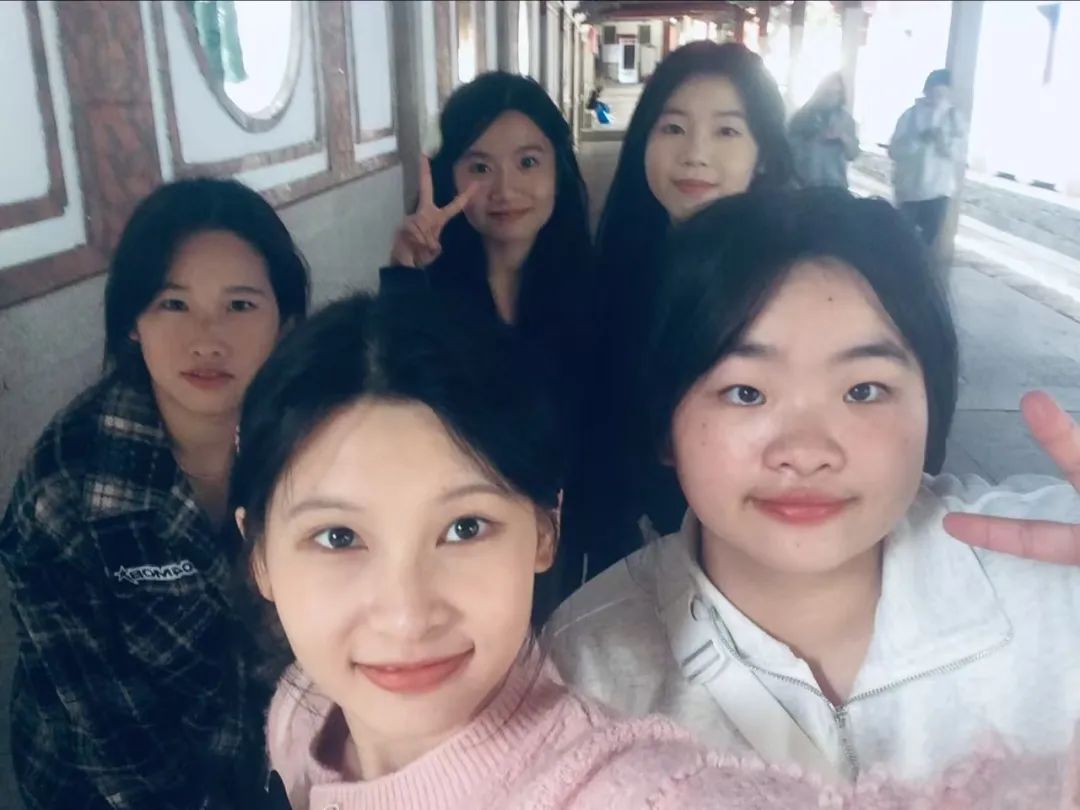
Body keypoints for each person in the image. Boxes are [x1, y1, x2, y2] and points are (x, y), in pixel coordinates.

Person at [231, 290, 1077, 810]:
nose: (405, 614)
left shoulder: (621, 787)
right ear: (259, 554)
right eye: (337, 538)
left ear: (546, 530)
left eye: (465, 528)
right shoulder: (309, 707)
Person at [547, 189, 1080, 787]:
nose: (805, 452)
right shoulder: (587, 665)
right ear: (664, 423)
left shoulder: (1057, 579)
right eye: (746, 392)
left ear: (930, 404)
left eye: (863, 391)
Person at [0, 178, 310, 810]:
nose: (206, 339)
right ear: (133, 323)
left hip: (275, 764)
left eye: (240, 305)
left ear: (284, 321)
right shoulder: (66, 483)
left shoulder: (310, 443)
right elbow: (99, 721)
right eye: (173, 304)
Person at [383, 70, 595, 616]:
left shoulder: (598, 290)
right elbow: (394, 398)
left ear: (558, 169)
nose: (505, 190)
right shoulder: (431, 289)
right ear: (449, 176)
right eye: (479, 167)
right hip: (458, 549)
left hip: (567, 553)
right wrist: (404, 273)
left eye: (528, 162)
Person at [584, 41, 795, 579]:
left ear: (763, 153)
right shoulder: (621, 265)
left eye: (727, 131)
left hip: (751, 549)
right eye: (673, 128)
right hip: (634, 555)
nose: (695, 153)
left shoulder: (794, 280)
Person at [888, 68, 967, 246]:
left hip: (938, 192)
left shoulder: (954, 118)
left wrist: (942, 144)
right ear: (926, 90)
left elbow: (960, 155)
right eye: (934, 91)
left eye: (942, 93)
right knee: (901, 239)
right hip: (908, 190)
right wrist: (918, 141)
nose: (937, 97)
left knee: (928, 241)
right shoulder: (909, 115)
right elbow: (894, 151)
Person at [788, 72, 859, 189]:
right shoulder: (801, 116)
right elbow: (788, 151)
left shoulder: (846, 120)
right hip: (804, 186)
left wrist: (843, 138)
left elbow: (853, 154)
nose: (832, 97)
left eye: (837, 93)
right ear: (820, 91)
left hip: (835, 186)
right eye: (828, 93)